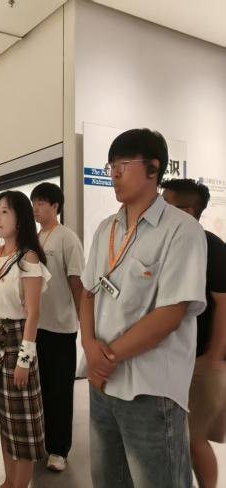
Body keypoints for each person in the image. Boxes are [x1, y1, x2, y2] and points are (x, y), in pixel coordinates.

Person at [80, 129, 207, 488]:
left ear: (153, 169)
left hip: (150, 391)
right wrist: (90, 347)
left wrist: (107, 357)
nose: (114, 173)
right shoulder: (106, 229)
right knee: (108, 480)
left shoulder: (181, 230)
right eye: (111, 165)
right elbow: (88, 292)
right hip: (103, 385)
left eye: (123, 163)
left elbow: (170, 315)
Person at [0, 190, 50, 488]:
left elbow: (33, 313)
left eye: (5, 211)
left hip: (17, 341)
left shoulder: (28, 258)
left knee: (21, 423)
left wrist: (24, 361)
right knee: (3, 416)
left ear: (20, 219)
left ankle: (20, 484)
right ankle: (8, 481)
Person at [161, 178, 226, 488]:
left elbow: (224, 303)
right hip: (176, 357)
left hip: (202, 360)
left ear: (186, 211)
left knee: (194, 437)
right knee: (180, 436)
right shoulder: (172, 244)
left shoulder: (211, 247)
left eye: (166, 204)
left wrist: (213, 357)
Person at [30, 182, 84, 472]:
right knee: (39, 389)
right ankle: (44, 441)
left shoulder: (67, 238)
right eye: (34, 203)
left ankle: (59, 449)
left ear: (55, 206)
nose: (36, 208)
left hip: (61, 328)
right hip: (35, 327)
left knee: (60, 391)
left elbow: (77, 282)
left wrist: (84, 322)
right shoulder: (34, 238)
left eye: (41, 203)